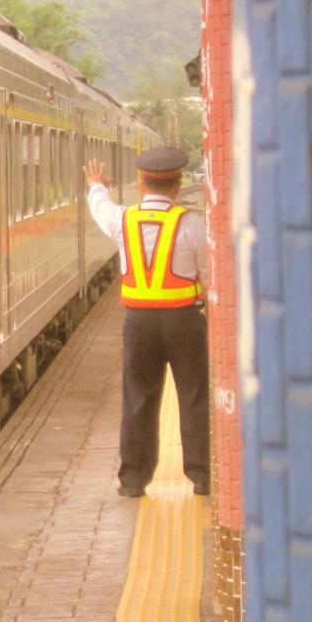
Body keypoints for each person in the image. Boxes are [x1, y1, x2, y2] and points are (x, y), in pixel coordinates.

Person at [84, 147, 209, 498]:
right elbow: (209, 273)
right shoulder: (191, 224)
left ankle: (133, 480)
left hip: (139, 324)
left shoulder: (123, 220)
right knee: (193, 396)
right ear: (177, 186)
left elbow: (100, 208)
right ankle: (202, 476)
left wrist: (96, 184)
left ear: (141, 184)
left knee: (138, 397)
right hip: (184, 322)